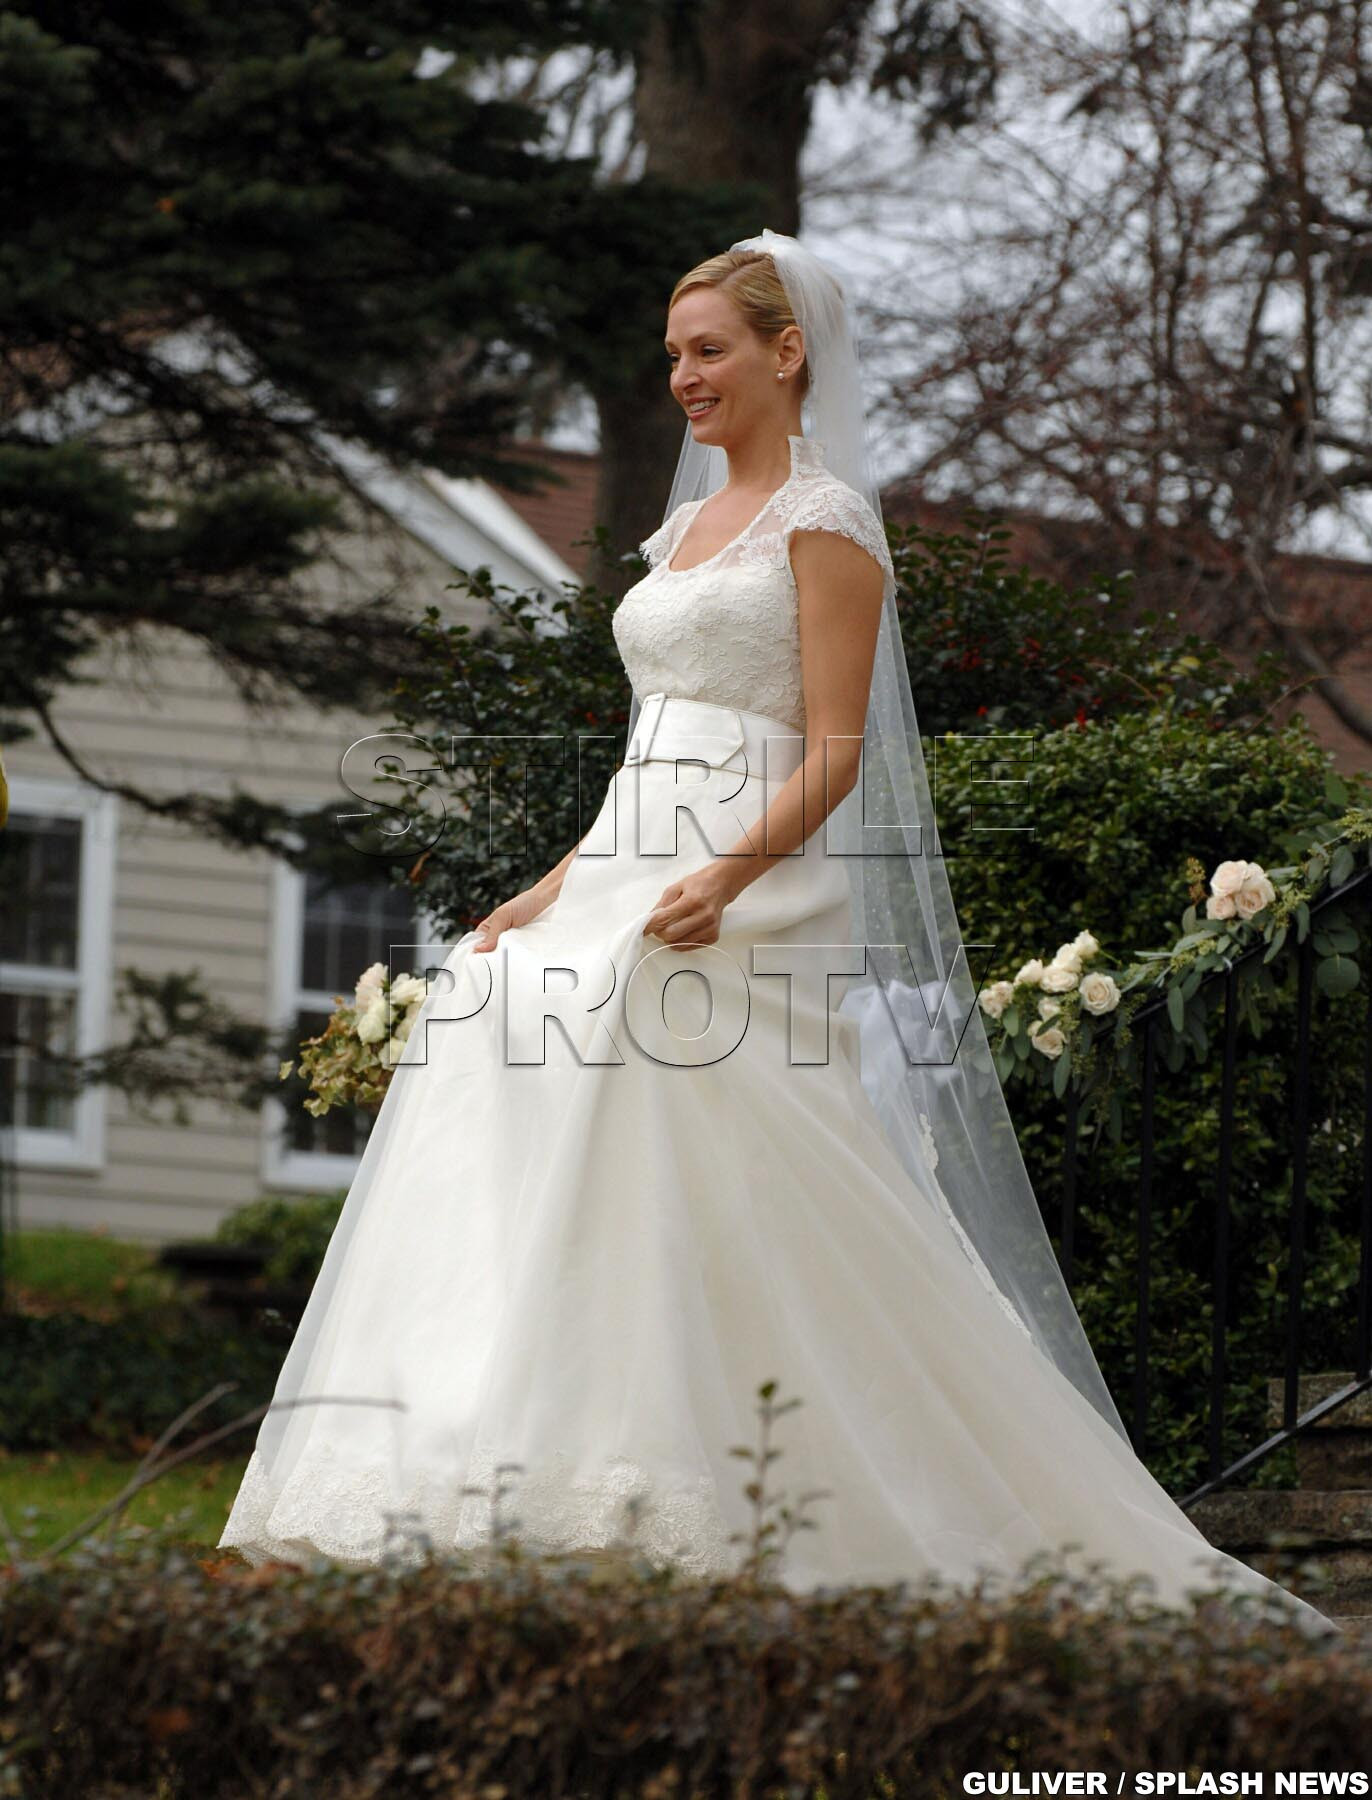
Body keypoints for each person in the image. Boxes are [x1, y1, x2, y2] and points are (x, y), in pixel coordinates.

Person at [218, 231, 1340, 1642]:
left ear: (786, 352)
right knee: (489, 1003)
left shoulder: (828, 522)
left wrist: (727, 878)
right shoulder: (678, 537)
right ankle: (476, 1440)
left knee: (628, 1040)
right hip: (635, 858)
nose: (684, 375)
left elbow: (835, 751)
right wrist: (549, 888)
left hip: (757, 873)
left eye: (710, 349)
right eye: (673, 354)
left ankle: (681, 1469)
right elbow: (647, 753)